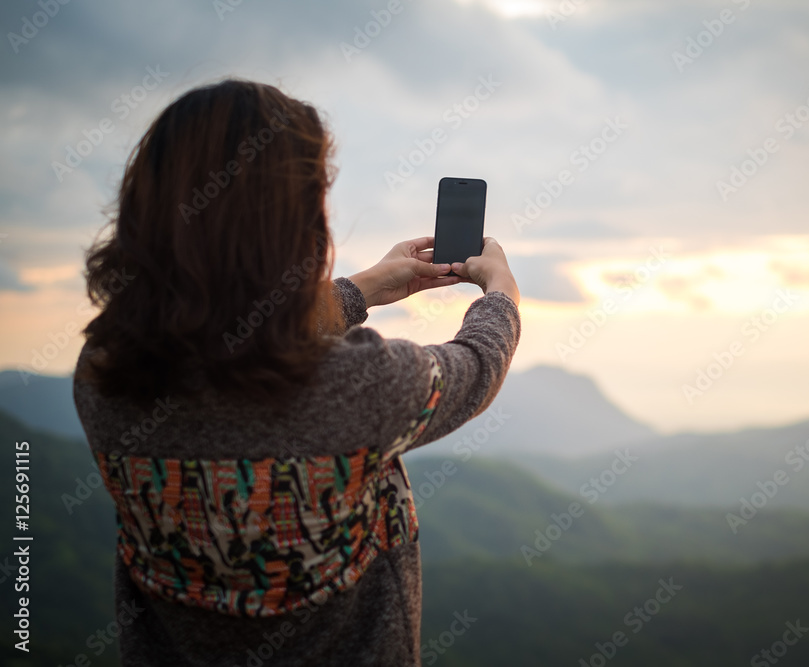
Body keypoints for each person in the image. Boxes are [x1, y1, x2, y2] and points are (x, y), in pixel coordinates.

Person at [72, 78, 520, 666]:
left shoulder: (104, 374)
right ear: (291, 226)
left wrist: (362, 289)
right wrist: (501, 295)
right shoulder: (358, 385)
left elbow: (229, 335)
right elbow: (476, 366)